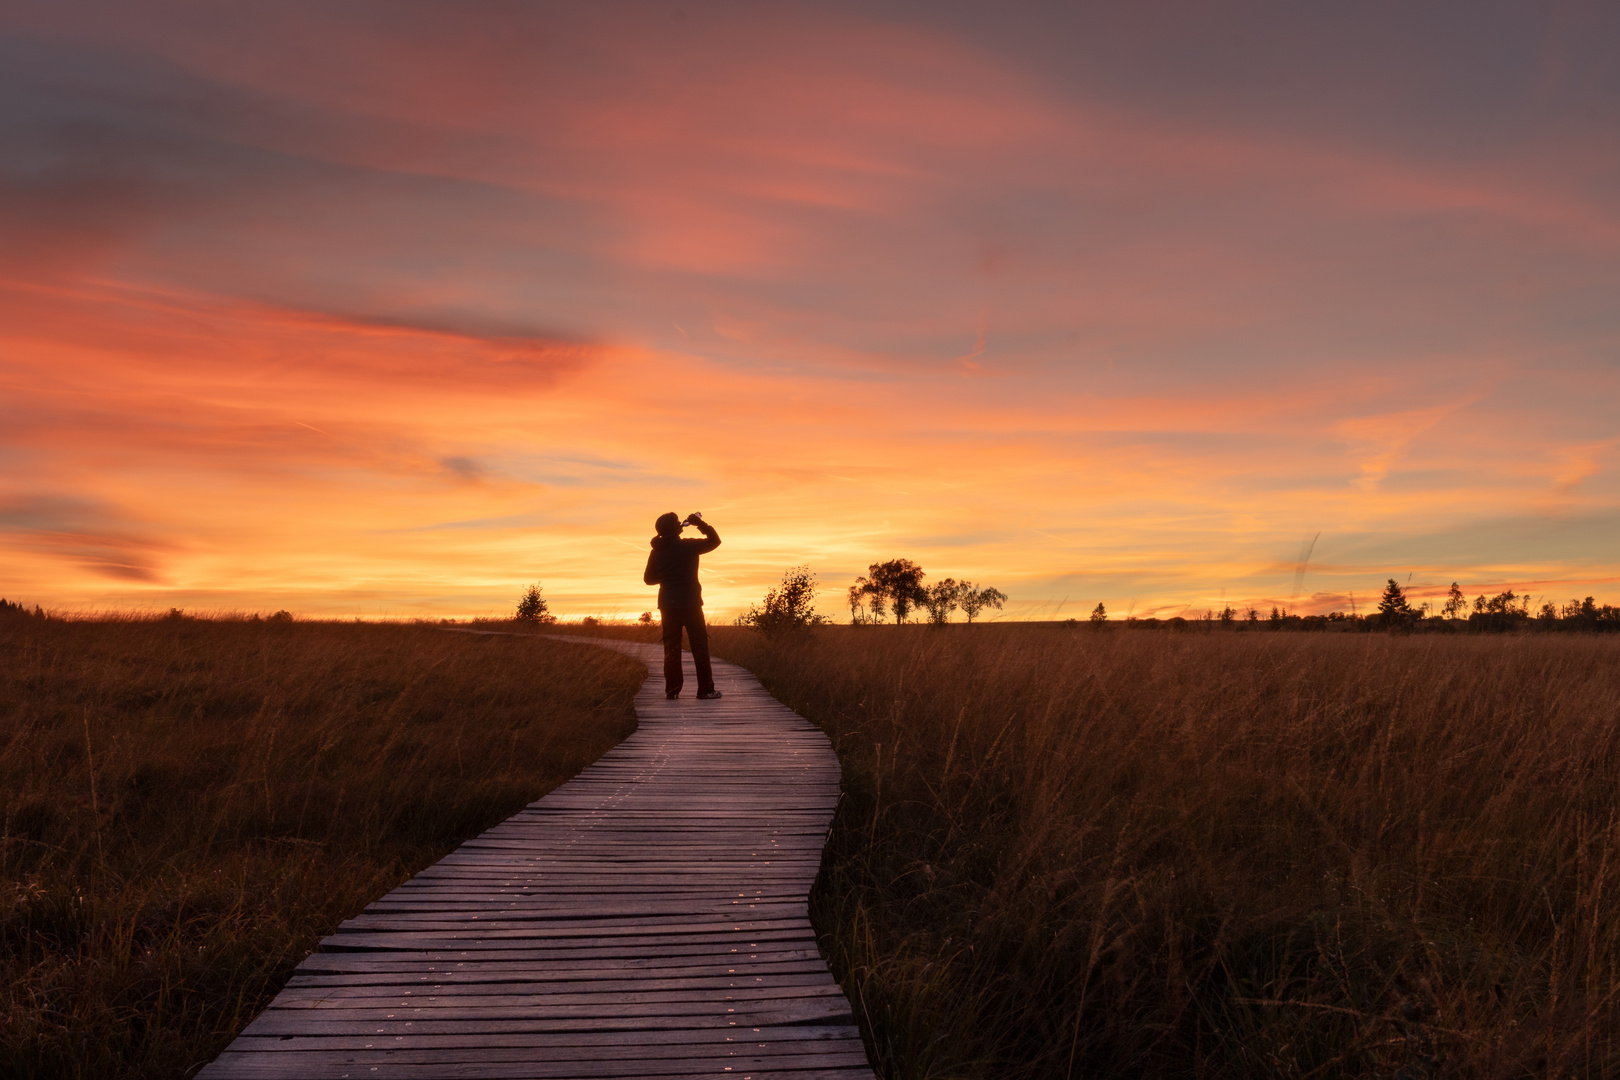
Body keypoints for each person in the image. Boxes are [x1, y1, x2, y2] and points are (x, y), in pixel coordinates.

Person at [643, 511, 722, 700]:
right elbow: (715, 541)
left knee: (671, 648)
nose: (681, 524)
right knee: (700, 647)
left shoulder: (656, 551)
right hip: (691, 604)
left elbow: (648, 579)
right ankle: (705, 690)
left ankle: (672, 690)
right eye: (678, 522)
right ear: (675, 528)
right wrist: (699, 523)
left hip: (668, 605)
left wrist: (666, 577)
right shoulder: (688, 546)